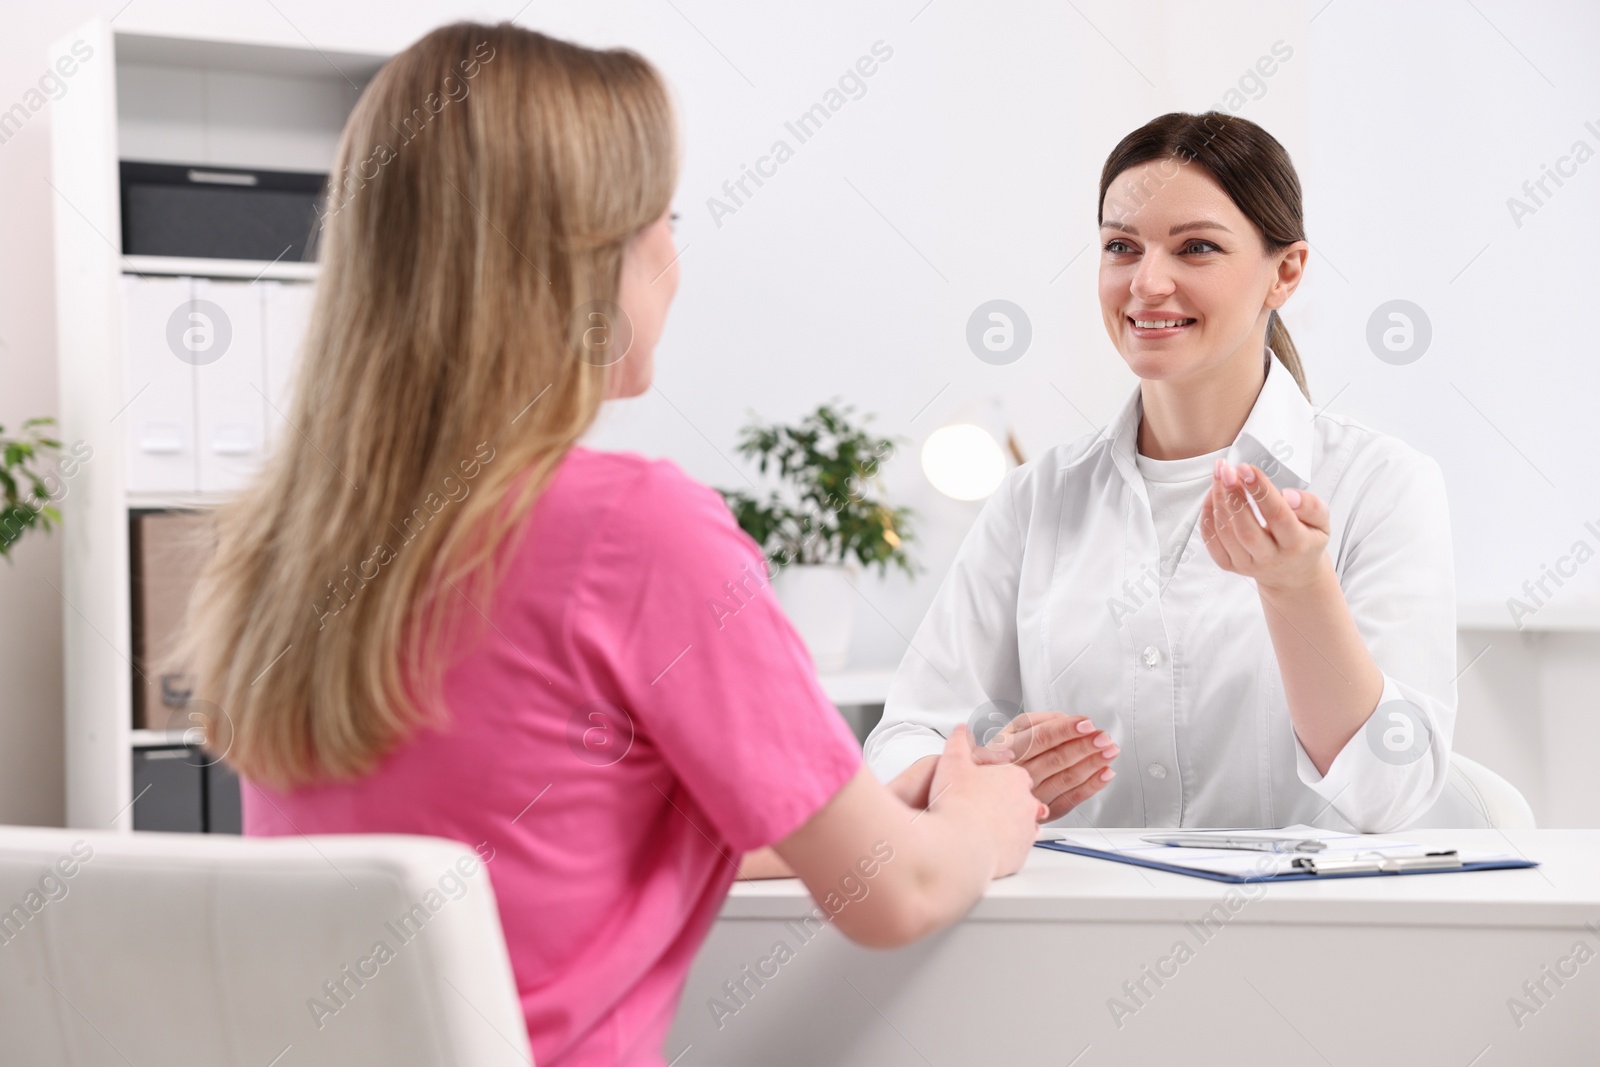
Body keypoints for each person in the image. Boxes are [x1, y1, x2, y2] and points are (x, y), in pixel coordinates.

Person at [174, 22, 1043, 1067]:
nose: (674, 257)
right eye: (659, 220)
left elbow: (533, 854)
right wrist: (980, 825)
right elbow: (892, 892)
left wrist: (854, 813)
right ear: (584, 263)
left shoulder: (282, 545)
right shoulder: (634, 529)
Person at [865, 111, 1456, 834]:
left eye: (1196, 248)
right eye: (1122, 246)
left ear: (1286, 271)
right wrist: (973, 774)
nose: (1147, 283)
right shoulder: (1035, 498)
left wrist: (1298, 589)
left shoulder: (1382, 485)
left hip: (1301, 937)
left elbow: (1389, 792)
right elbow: (906, 735)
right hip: (1070, 933)